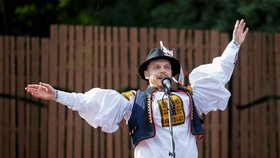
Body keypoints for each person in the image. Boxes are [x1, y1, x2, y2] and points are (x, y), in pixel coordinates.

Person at [25, 19, 249, 158]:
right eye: (156, 67)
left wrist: (234, 44)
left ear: (173, 73)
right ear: (146, 74)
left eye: (166, 67)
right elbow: (89, 101)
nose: (162, 70)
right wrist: (56, 95)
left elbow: (219, 71)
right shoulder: (135, 101)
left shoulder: (190, 96)